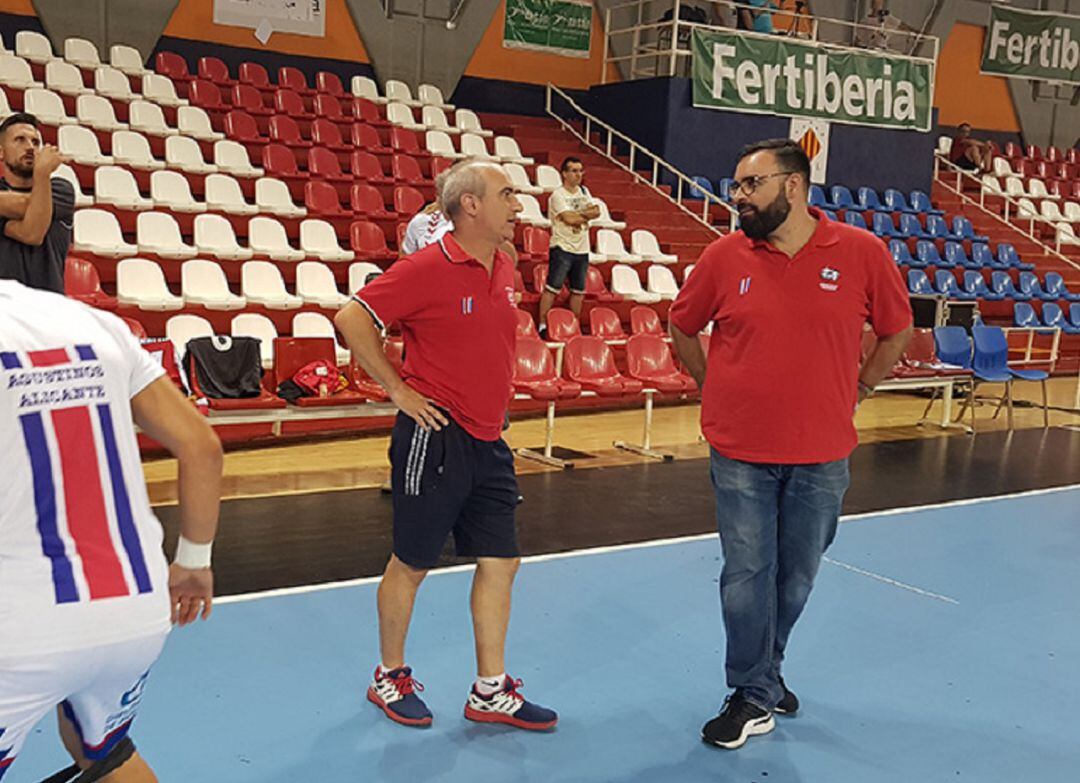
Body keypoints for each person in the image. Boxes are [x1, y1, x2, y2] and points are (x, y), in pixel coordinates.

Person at [668, 139, 912, 750]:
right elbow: (681, 323)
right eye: (737, 186)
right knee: (747, 573)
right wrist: (711, 386)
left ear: (794, 186)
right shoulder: (725, 257)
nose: (739, 197)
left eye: (751, 185)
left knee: (796, 576)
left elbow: (896, 328)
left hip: (823, 450)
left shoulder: (861, 252)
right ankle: (751, 692)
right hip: (740, 449)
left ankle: (765, 673)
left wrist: (861, 385)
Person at [334, 160, 556, 731]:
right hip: (432, 436)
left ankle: (490, 690)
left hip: (489, 438)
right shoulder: (425, 268)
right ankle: (388, 676)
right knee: (412, 562)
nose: (518, 203)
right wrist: (399, 390)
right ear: (471, 205)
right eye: (506, 193)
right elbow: (352, 317)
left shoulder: (505, 265)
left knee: (502, 561)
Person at [0, 280, 222, 781]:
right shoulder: (91, 322)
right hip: (134, 609)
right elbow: (202, 447)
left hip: (18, 623)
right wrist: (193, 562)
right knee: (104, 752)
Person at [0, 112, 74, 294]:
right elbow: (29, 230)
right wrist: (41, 179)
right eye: (20, 140)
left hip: (49, 306)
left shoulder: (61, 189)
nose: (30, 147)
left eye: (35, 142)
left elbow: (34, 233)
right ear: (1, 152)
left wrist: (41, 174)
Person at [538, 157, 598, 335]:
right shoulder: (558, 195)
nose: (578, 174)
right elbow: (569, 219)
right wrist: (584, 215)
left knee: (578, 291)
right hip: (562, 247)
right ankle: (542, 325)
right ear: (564, 174)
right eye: (574, 171)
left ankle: (574, 326)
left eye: (580, 170)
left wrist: (578, 214)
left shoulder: (584, 191)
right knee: (552, 288)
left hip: (582, 249)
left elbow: (597, 211)